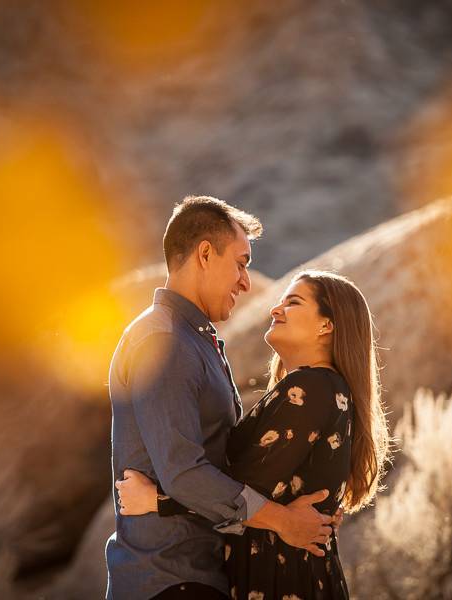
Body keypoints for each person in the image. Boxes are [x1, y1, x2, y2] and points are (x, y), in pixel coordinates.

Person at [106, 196, 336, 600]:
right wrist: (282, 521)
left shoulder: (194, 339)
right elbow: (185, 472)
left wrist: (159, 502)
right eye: (241, 262)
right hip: (169, 579)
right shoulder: (165, 341)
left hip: (197, 575)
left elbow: (222, 467)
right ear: (206, 254)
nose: (246, 282)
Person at [117, 270, 391, 600]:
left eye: (293, 302)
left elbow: (244, 484)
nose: (276, 309)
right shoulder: (317, 389)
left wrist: (158, 501)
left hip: (284, 580)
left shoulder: (313, 387)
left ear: (326, 325)